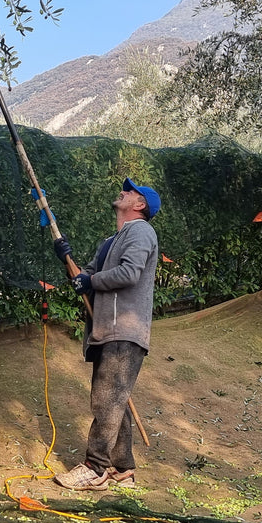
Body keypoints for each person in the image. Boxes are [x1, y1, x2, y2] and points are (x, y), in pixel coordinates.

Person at [50, 177, 161, 490]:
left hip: (124, 330)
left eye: (130, 191)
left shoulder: (141, 231)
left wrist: (92, 281)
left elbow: (129, 273)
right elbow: (82, 279)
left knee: (106, 400)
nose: (123, 191)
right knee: (116, 402)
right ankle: (122, 468)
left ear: (139, 204)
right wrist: (66, 259)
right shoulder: (111, 241)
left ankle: (95, 468)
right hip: (106, 329)